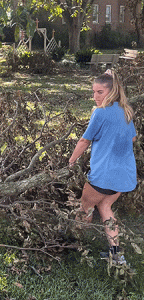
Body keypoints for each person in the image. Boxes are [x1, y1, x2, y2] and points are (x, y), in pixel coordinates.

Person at [69, 69, 137, 265]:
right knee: (105, 206)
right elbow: (132, 137)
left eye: (100, 92)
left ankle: (71, 246)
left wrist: (71, 161)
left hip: (103, 175)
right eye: (93, 92)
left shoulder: (100, 113)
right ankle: (117, 256)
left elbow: (84, 141)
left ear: (112, 91)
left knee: (84, 209)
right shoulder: (125, 111)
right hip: (123, 176)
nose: (95, 96)